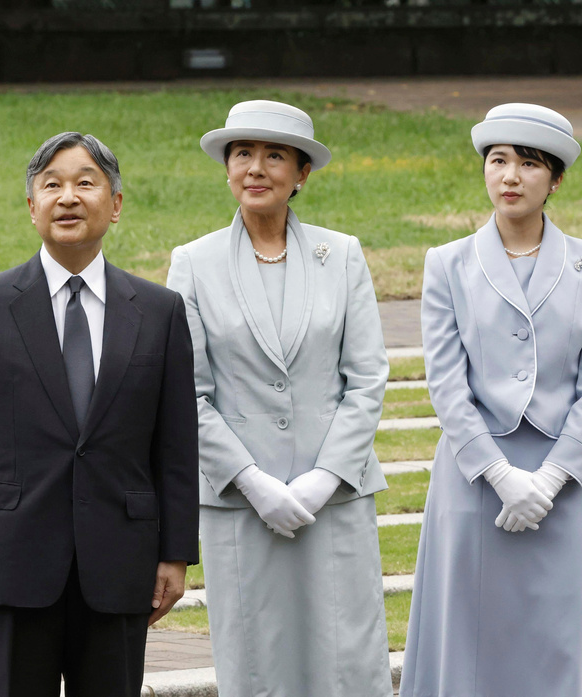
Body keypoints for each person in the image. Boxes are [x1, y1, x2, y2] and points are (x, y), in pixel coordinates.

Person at [399, 103, 582, 696]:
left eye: (528, 164)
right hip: (476, 479)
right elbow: (447, 383)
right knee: (473, 638)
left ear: (555, 180)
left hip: (570, 484)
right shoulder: (446, 264)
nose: (510, 176)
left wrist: (552, 479)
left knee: (564, 638)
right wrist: (501, 476)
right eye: (498, 161)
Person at [166, 100, 393, 697]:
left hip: (336, 501)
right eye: (243, 154)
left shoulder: (341, 254)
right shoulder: (193, 263)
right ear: (227, 167)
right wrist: (251, 481)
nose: (257, 168)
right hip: (242, 508)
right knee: (257, 665)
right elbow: (187, 391)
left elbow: (367, 377)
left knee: (347, 661)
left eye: (275, 156)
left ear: (302, 174)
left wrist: (325, 477)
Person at [0, 132, 199, 697]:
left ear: (115, 205)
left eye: (86, 183)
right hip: (10, 568)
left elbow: (176, 443)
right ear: (31, 206)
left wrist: (176, 553)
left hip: (120, 565)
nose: (68, 197)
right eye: (52, 185)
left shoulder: (159, 312)